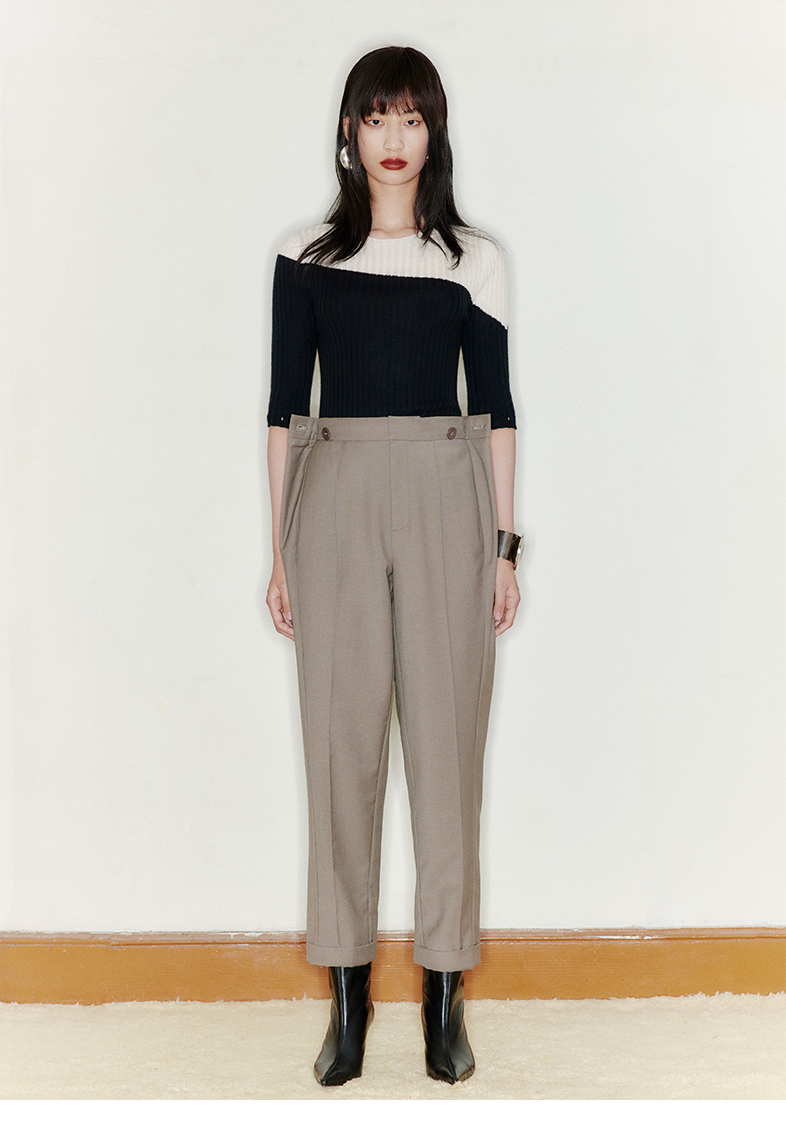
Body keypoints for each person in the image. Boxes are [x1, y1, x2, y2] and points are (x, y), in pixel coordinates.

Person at [265, 45, 522, 1086]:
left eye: (412, 118)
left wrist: (504, 548)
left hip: (446, 495)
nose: (393, 138)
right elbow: (283, 409)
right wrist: (277, 550)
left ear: (434, 133)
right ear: (349, 133)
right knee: (341, 748)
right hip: (331, 497)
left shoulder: (473, 259)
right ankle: (347, 993)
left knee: (448, 752)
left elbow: (496, 411)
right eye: (376, 117)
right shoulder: (304, 256)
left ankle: (445, 992)